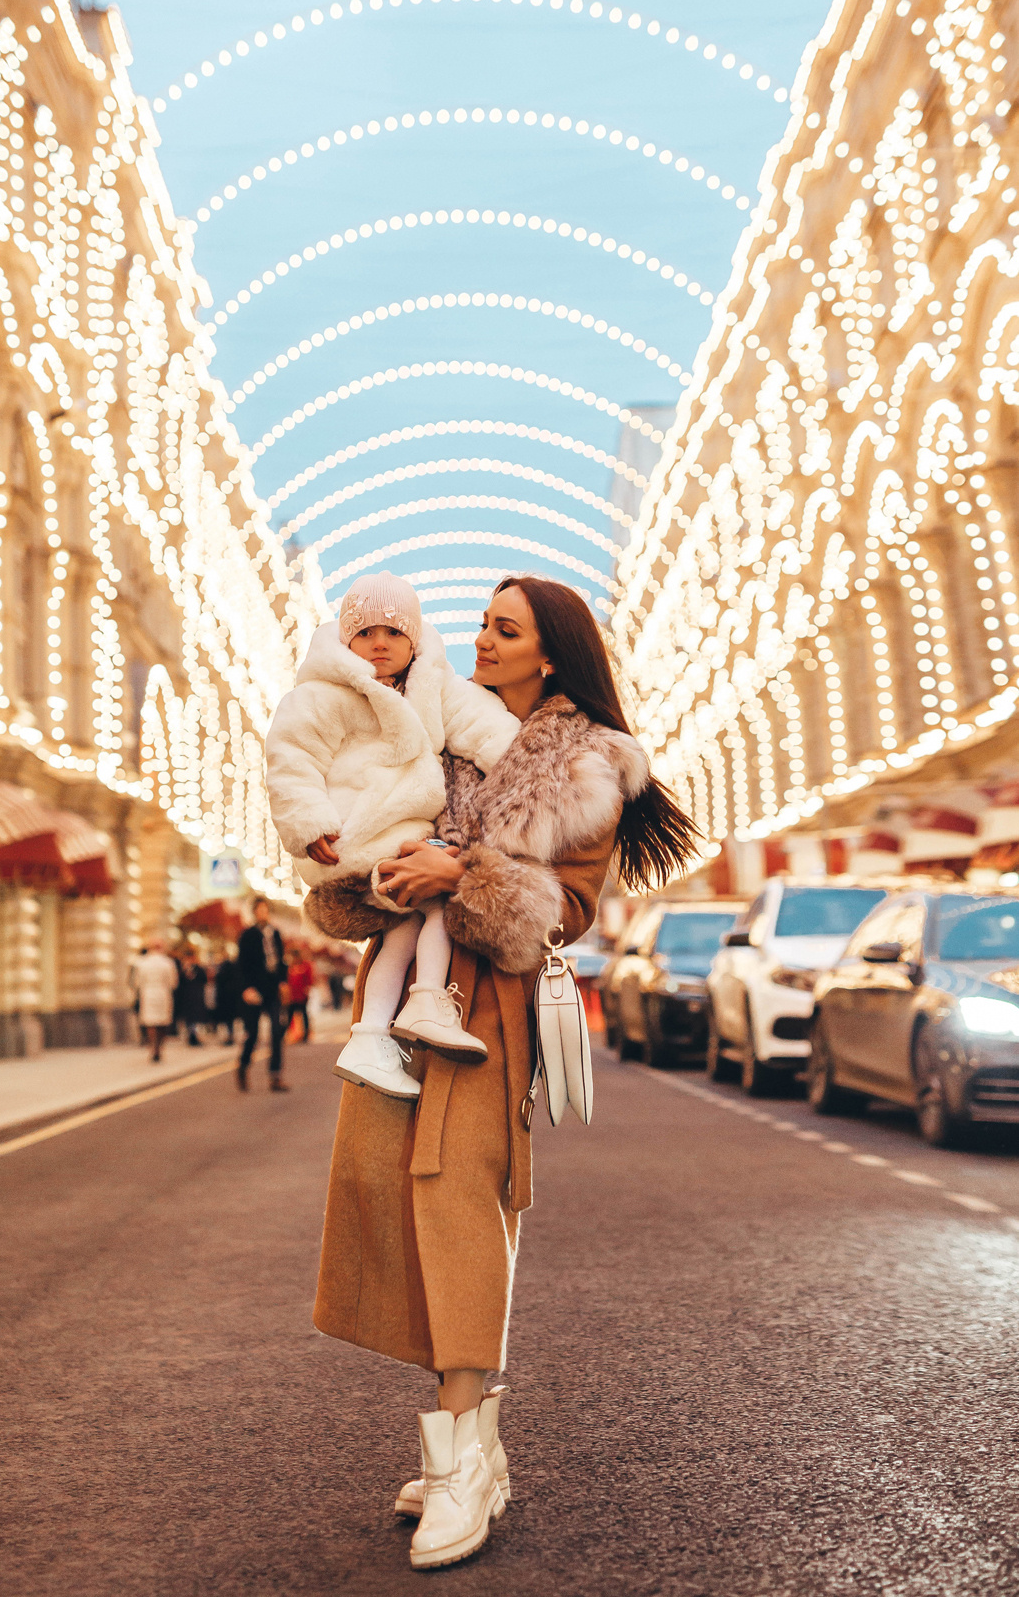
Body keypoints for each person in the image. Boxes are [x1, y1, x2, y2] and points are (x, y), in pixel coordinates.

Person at [304, 575, 697, 1571]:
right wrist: (370, 865)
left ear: (550, 655)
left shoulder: (592, 762)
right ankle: (473, 1438)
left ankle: (456, 1464)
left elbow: (569, 909)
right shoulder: (433, 727)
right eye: (478, 622)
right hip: (393, 1008)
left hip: (490, 1010)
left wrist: (464, 877)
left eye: (504, 627)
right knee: (390, 1200)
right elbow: (359, 827)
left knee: (455, 1203)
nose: (480, 637)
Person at [265, 571, 519, 1101]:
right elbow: (292, 759)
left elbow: (479, 723)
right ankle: (426, 1001)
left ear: (414, 640)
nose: (379, 643)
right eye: (365, 633)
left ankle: (372, 1035)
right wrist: (307, 819)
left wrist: (518, 764)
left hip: (400, 834)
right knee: (436, 902)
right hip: (349, 834)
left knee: (404, 929)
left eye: (394, 633)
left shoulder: (434, 684)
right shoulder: (320, 695)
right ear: (345, 640)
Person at [236, 897, 289, 1092]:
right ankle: (243, 1065)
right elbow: (241, 965)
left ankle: (275, 1076)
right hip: (254, 990)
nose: (263, 913)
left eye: (266, 910)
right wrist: (246, 988)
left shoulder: (275, 933)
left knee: (277, 1030)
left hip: (272, 989)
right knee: (253, 1033)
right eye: (259, 910)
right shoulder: (247, 935)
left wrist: (283, 982)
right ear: (254, 912)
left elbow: (282, 960)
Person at [131, 940, 179, 1064]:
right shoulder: (167, 962)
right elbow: (173, 982)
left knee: (150, 1022)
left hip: (148, 993)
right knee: (162, 1022)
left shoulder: (142, 963)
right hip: (163, 993)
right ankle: (159, 1048)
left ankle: (153, 1047)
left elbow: (137, 982)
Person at [173, 947, 207, 1046]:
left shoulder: (199, 969)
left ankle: (195, 1036)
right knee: (189, 1019)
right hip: (186, 998)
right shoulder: (181, 970)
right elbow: (178, 984)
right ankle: (191, 1036)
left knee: (196, 1019)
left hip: (196, 996)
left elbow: (204, 979)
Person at [284, 942, 314, 1043]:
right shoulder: (289, 966)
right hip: (292, 995)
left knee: (303, 1014)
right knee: (289, 1015)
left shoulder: (305, 965)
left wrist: (308, 989)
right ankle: (288, 1034)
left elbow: (309, 979)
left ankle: (305, 1034)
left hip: (301, 994)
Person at [214, 944, 242, 1045]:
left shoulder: (224, 967)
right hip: (231, 997)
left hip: (225, 997)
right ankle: (230, 1035)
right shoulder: (233, 967)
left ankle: (229, 1036)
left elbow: (219, 981)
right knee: (229, 1020)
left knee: (227, 1020)